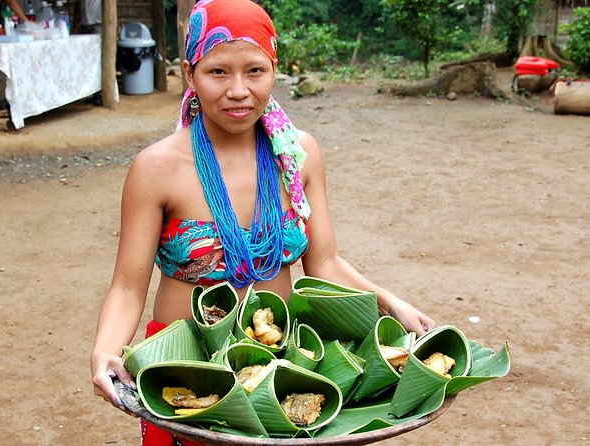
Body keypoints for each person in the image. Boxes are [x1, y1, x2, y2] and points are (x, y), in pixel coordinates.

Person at [90, 0, 436, 444]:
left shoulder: (298, 154)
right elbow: (127, 285)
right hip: (186, 366)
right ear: (190, 72)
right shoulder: (156, 168)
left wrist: (390, 302)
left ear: (274, 69)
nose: (238, 90)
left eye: (255, 70)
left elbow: (325, 261)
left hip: (280, 366)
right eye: (218, 72)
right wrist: (104, 350)